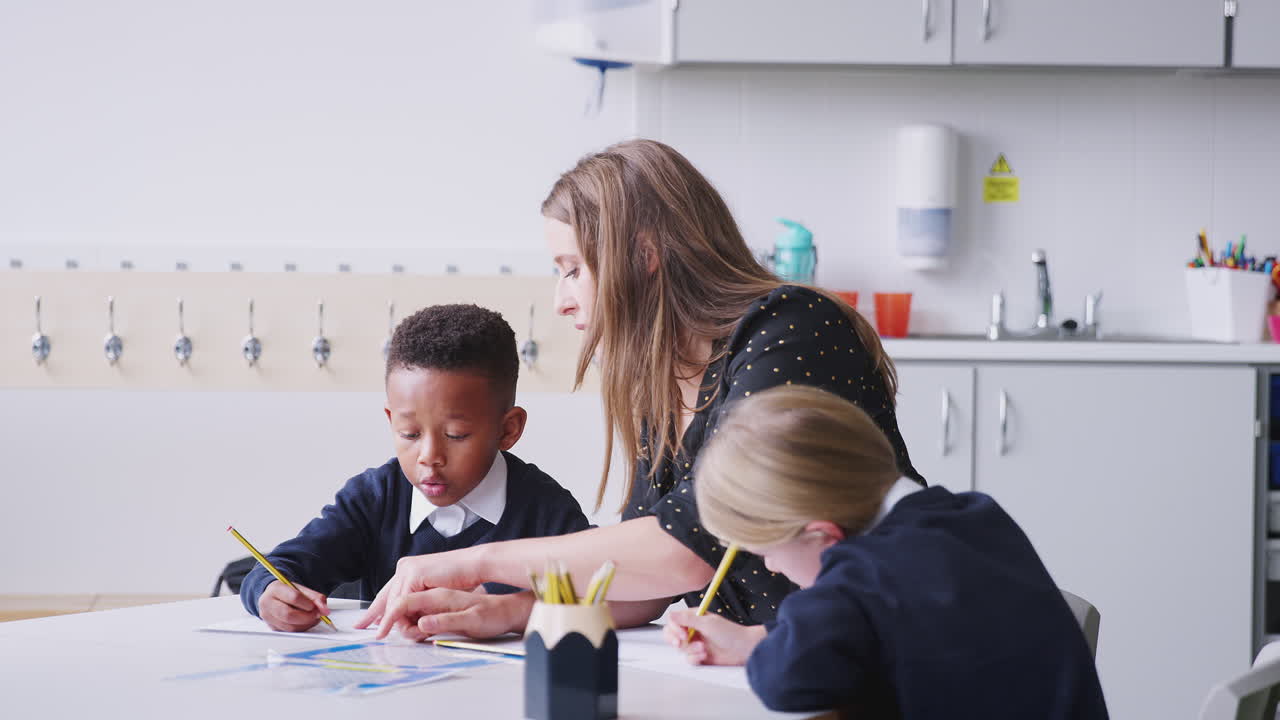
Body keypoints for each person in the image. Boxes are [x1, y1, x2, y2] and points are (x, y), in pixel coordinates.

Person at [357, 138, 923, 641]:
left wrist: (475, 562)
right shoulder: (666, 376)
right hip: (768, 664)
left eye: (573, 269)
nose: (561, 301)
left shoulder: (790, 329)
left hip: (872, 656)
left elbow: (686, 548)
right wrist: (506, 612)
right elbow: (643, 582)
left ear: (645, 256)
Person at [663, 385, 1109, 719]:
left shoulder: (865, 575)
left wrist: (765, 650)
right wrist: (752, 638)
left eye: (765, 552)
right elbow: (866, 621)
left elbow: (787, 681)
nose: (772, 567)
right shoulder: (970, 515)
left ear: (823, 535)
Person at [240, 304, 590, 631]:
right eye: (409, 433)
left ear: (508, 430)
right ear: (391, 419)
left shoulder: (546, 511)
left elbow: (599, 588)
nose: (429, 456)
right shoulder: (374, 498)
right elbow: (282, 566)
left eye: (456, 435)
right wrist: (269, 592)